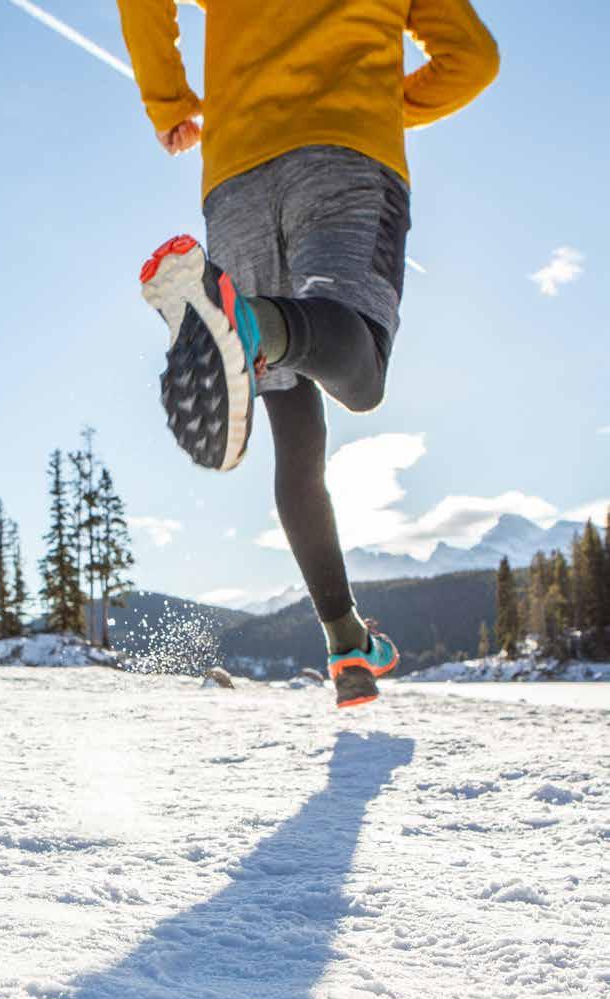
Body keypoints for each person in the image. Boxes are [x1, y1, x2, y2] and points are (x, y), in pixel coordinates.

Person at [117, 0, 499, 708]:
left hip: (234, 176)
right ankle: (252, 326)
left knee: (296, 436)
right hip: (344, 153)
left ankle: (346, 641)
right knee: (362, 369)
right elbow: (473, 59)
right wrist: (381, 106)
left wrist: (168, 99)